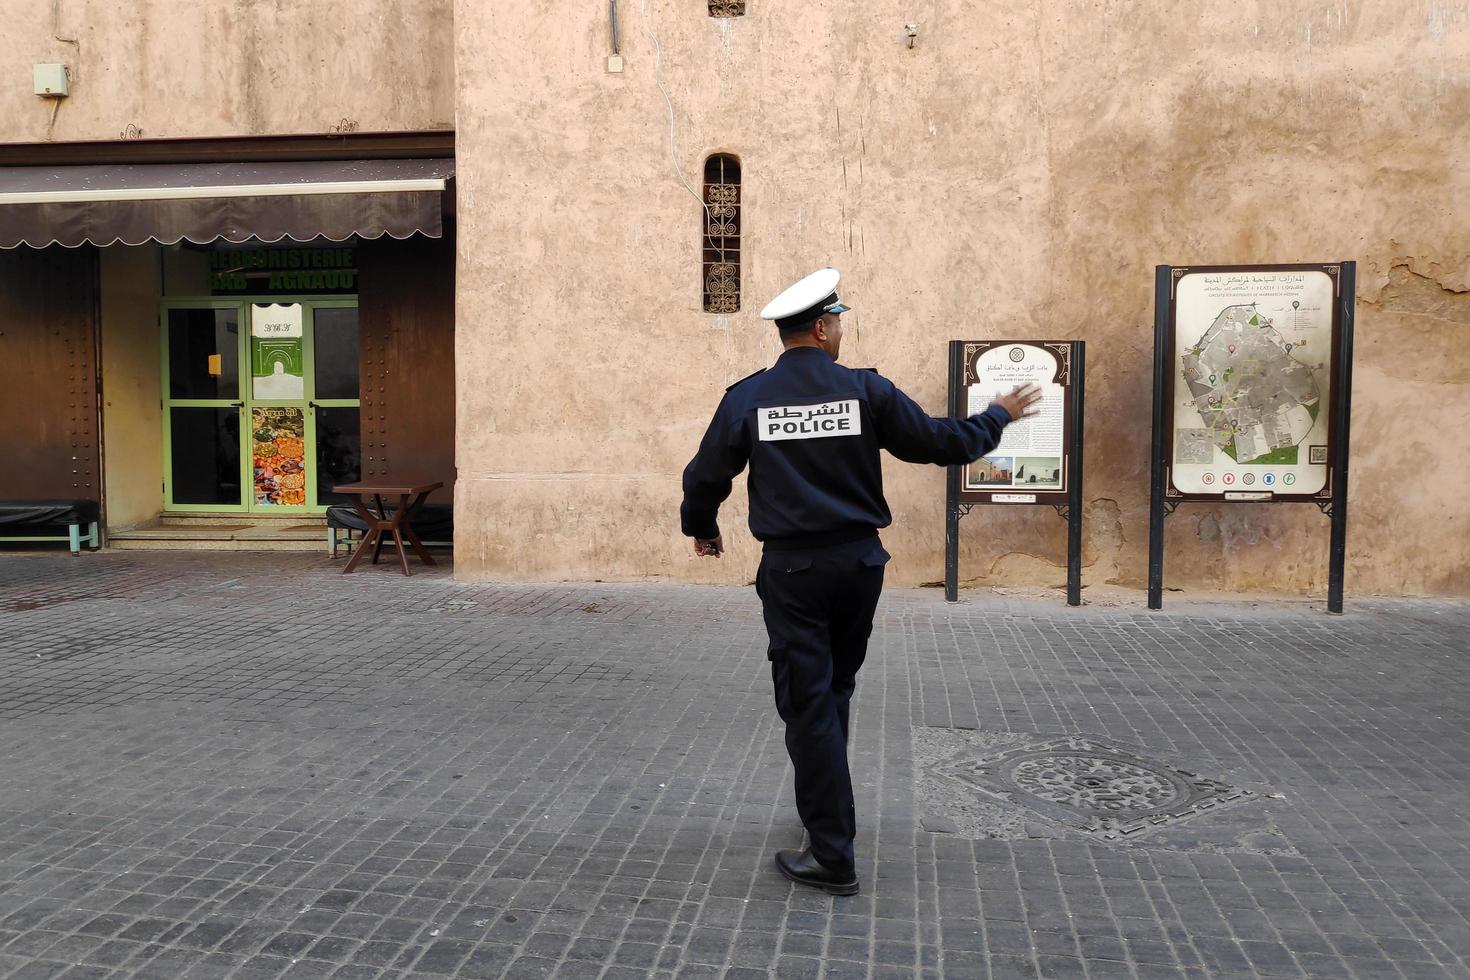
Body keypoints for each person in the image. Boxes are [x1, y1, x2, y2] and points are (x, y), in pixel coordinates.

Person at [680, 268, 1040, 896]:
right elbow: (939, 443)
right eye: (838, 323)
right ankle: (826, 814)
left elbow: (704, 474)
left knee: (809, 701)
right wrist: (996, 416)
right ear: (821, 328)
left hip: (793, 571)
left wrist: (701, 526)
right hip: (858, 567)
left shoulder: (748, 398)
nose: (841, 332)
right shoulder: (864, 392)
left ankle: (832, 854)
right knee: (832, 691)